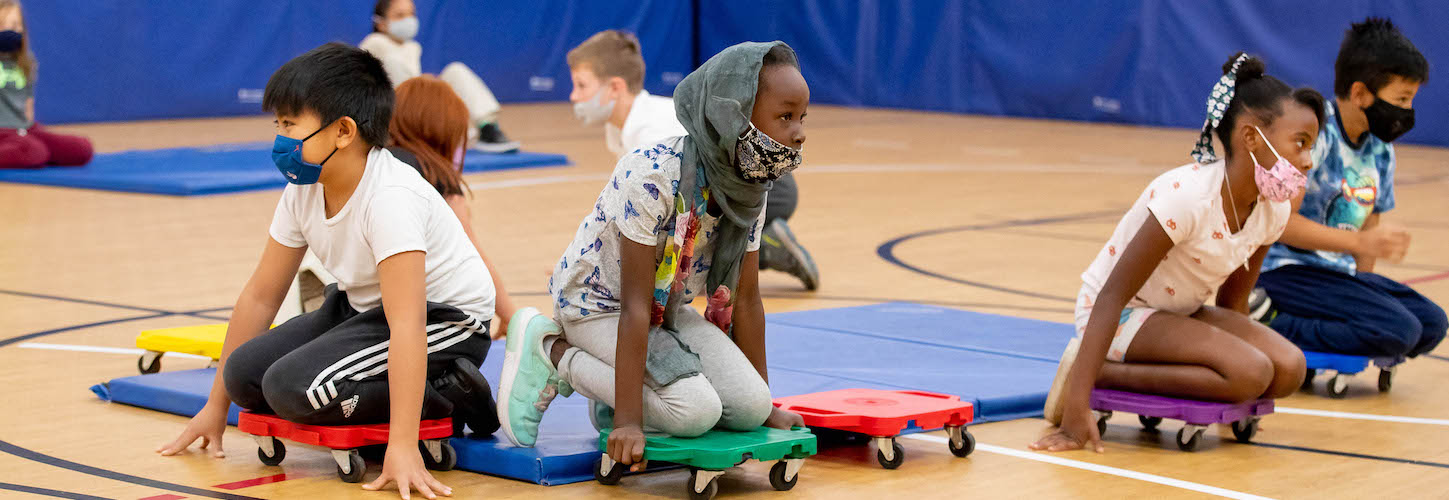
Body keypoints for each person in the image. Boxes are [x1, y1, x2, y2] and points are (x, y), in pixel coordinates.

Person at [157, 44, 498, 500]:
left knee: (291, 386)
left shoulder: (390, 198)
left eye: (290, 125)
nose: (280, 139)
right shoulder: (303, 187)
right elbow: (261, 295)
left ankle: (450, 395)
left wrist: (402, 445)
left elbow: (406, 322)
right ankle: (401, 395)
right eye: (277, 124)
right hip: (364, 308)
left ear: (342, 131)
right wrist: (214, 409)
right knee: (242, 375)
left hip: (445, 321)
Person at [494, 43, 810, 471]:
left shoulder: (753, 185)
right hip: (598, 307)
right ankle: (554, 353)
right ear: (732, 113)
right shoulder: (654, 173)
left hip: (666, 312)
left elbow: (748, 299)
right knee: (694, 412)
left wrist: (768, 406)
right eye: (785, 116)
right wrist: (628, 421)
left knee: (750, 407)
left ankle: (620, 387)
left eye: (801, 117)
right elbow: (635, 303)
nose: (799, 131)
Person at [1032, 53, 1318, 453]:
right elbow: (1111, 295)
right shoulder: (1186, 198)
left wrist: (1236, 367)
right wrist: (1076, 413)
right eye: (1300, 144)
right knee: (1251, 372)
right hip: (1120, 312)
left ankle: (1230, 371)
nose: (1307, 161)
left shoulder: (1273, 209)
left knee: (1288, 369)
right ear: (1252, 138)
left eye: (1311, 147)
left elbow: (1234, 301)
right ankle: (1094, 372)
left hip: (1179, 312)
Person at [566, 30, 820, 290]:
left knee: (685, 258)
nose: (573, 95)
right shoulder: (619, 129)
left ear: (615, 88)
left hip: (768, 188)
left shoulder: (649, 133)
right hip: (731, 184)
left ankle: (769, 246)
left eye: (581, 85)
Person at [1253, 18, 1446, 361]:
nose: (1407, 111)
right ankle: (1269, 320)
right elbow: (1281, 223)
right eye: (1401, 99)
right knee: (1397, 330)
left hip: (1333, 276)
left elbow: (1369, 226)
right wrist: (1358, 243)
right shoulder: (1315, 133)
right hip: (1285, 271)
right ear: (1359, 93)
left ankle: (1345, 323)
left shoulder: (1380, 148)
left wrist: (1365, 287)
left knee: (1431, 322)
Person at [388, 74, 519, 336]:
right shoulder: (434, 175)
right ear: (441, 131)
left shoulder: (379, 160)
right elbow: (471, 254)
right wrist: (510, 316)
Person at [361, 0, 519, 153]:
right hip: (392, 117)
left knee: (455, 71)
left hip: (419, 112)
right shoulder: (374, 43)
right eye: (400, 15)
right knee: (394, 65)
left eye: (411, 14)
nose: (408, 20)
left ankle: (487, 127)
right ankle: (404, 133)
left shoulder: (413, 47)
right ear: (381, 23)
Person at [0, 0, 92, 169]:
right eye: (4, 26)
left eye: (16, 25)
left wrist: (26, 130)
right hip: (2, 132)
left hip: (23, 129)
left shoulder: (26, 62)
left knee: (81, 149)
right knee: (33, 152)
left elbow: (28, 106)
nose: (12, 32)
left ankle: (22, 149)